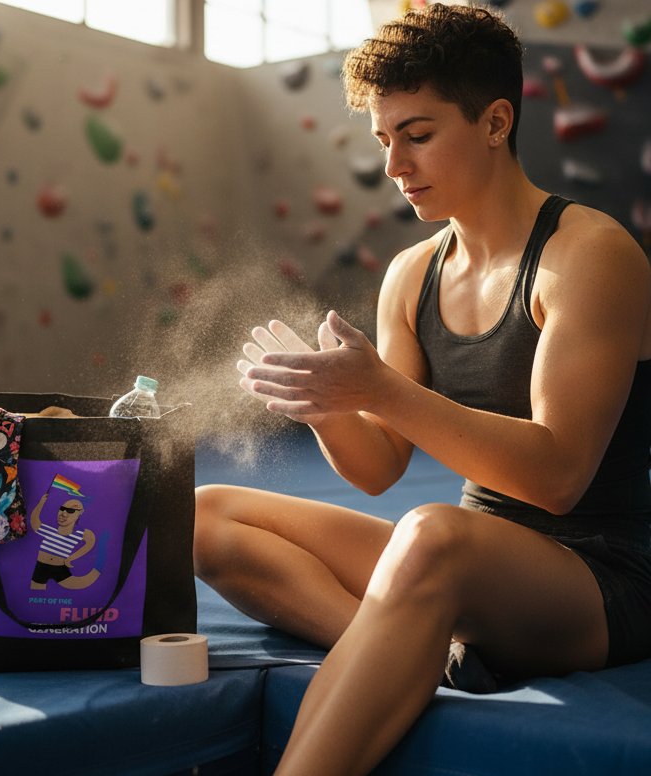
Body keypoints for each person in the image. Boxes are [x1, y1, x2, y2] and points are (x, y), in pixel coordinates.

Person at [193, 4, 651, 775]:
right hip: (462, 566)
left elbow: (558, 478)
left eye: (419, 134)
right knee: (202, 514)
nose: (394, 165)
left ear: (497, 121)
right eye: (383, 140)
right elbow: (379, 468)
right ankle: (429, 652)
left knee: (433, 535)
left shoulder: (592, 256)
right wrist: (328, 405)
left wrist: (380, 387)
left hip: (597, 578)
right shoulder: (413, 274)